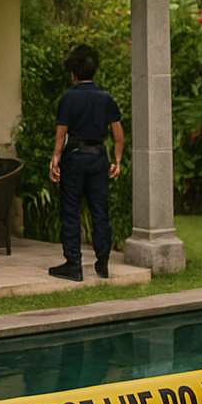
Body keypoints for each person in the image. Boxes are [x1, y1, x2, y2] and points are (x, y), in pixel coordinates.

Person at [48, 43, 125, 282]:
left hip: (75, 155)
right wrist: (117, 161)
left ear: (73, 74)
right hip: (98, 157)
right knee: (99, 210)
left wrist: (55, 158)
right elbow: (118, 135)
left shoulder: (68, 98)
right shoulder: (106, 99)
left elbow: (61, 133)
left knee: (70, 209)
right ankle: (103, 262)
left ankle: (74, 264)